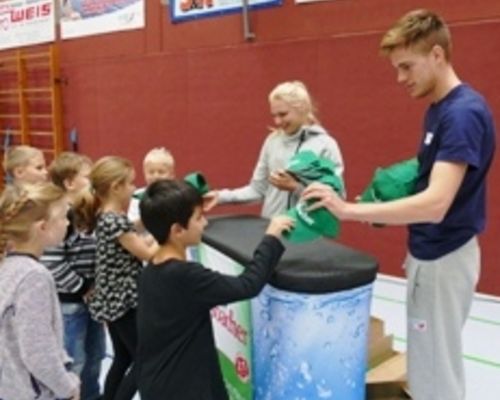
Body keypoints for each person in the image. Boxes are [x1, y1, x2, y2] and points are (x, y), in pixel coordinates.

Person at [302, 9, 496, 400]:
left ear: (437, 55)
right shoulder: (439, 110)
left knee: (435, 371)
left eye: (407, 66)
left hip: (444, 257)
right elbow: (430, 180)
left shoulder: (462, 114)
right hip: (431, 252)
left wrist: (348, 210)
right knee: (429, 361)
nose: (400, 78)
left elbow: (437, 203)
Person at [136, 179, 293, 400]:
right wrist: (272, 237)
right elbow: (248, 285)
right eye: (198, 218)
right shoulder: (187, 276)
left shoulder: (150, 271)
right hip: (183, 388)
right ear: (177, 230)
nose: (205, 224)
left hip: (157, 383)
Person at [81, 156, 157, 400]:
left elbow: (128, 230)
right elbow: (147, 253)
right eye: (131, 184)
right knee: (143, 361)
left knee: (124, 357)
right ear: (116, 187)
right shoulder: (114, 220)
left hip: (112, 299)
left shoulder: (107, 216)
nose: (134, 189)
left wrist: (146, 223)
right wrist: (167, 235)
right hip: (123, 302)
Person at [210, 80, 344, 217]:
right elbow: (258, 190)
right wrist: (220, 197)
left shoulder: (326, 145)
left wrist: (295, 187)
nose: (277, 122)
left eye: (283, 114)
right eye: (274, 115)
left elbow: (336, 198)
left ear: (302, 108)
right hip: (272, 232)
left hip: (309, 234)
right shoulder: (272, 141)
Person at [0, 183, 80, 400]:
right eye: (64, 217)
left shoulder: (8, 266)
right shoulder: (33, 277)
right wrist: (68, 388)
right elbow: (37, 352)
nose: (67, 223)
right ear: (42, 227)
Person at [40, 152, 105, 400]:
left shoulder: (84, 211)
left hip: (90, 301)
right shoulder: (60, 216)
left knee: (95, 356)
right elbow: (53, 263)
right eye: (88, 178)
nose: (93, 183)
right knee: (73, 360)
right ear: (69, 183)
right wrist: (83, 287)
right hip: (70, 303)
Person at [127, 147, 175, 226]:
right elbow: (132, 226)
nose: (156, 176)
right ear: (144, 174)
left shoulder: (177, 195)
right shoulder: (137, 196)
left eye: (161, 172)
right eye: (151, 172)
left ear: (171, 175)